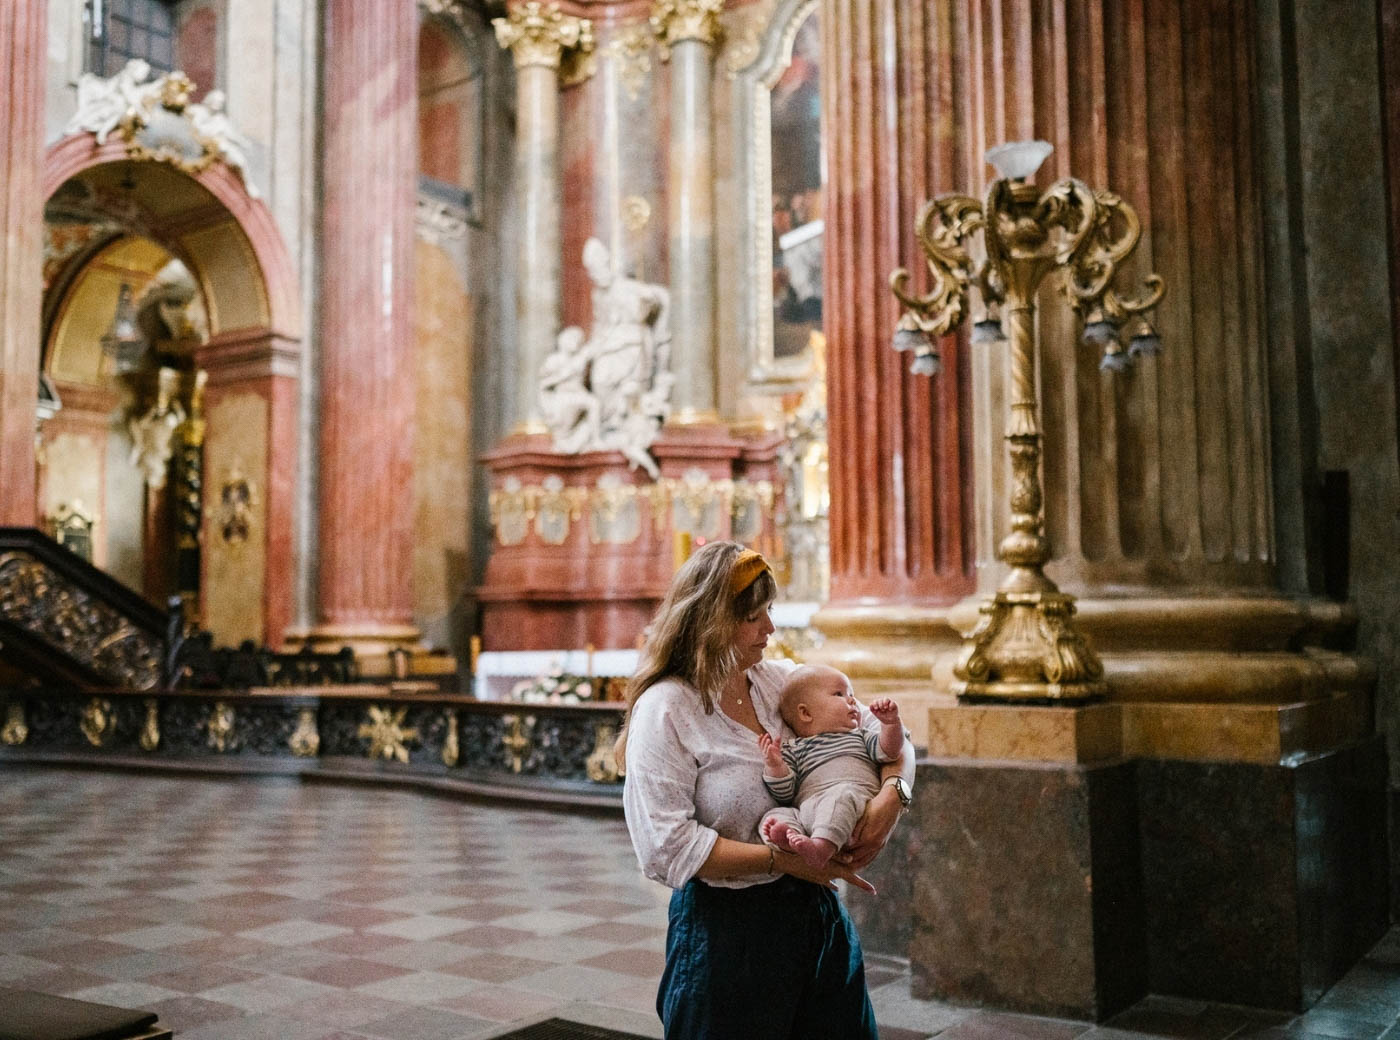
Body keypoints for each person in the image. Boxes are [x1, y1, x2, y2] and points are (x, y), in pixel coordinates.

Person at [618, 541, 914, 1039]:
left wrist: (892, 796)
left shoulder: (779, 683)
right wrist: (782, 861)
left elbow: (887, 735)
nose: (770, 629)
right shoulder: (666, 708)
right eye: (753, 617)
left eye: (769, 611)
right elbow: (666, 846)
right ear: (709, 620)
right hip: (727, 937)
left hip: (816, 919)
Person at [758, 664, 905, 870]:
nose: (852, 700)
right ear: (805, 713)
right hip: (810, 809)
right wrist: (775, 766)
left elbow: (890, 751)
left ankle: (820, 849)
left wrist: (890, 724)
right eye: (839, 694)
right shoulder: (793, 748)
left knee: (840, 796)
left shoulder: (859, 737)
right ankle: (792, 841)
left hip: (854, 803)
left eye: (851, 694)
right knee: (774, 816)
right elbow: (785, 793)